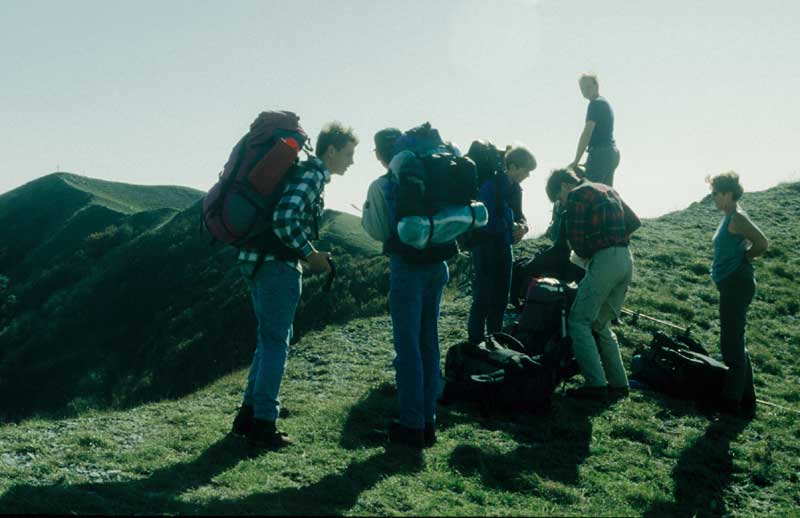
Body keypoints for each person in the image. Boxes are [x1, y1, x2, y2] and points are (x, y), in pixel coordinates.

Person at [231, 121, 358, 450]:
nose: (351, 161)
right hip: (275, 265)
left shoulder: (299, 171)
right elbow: (285, 218)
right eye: (348, 153)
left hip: (254, 258)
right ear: (330, 150)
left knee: (268, 338)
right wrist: (310, 254)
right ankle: (264, 424)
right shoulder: (312, 175)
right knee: (276, 343)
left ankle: (248, 416)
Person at [361, 127, 452, 449]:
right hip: (438, 266)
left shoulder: (385, 184)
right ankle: (428, 421)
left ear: (381, 155)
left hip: (407, 268)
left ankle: (412, 425)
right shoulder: (433, 172)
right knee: (429, 343)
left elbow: (379, 229)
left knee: (408, 348)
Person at [545, 167, 640, 401]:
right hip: (626, 259)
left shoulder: (577, 195)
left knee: (578, 321)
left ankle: (596, 385)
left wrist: (591, 249)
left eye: (559, 198)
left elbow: (577, 245)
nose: (562, 203)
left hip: (605, 261)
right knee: (600, 323)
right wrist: (612, 236)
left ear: (565, 186)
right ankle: (619, 383)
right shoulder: (607, 188)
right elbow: (634, 221)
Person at [708, 172, 768, 418]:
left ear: (727, 194)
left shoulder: (738, 217)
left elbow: (762, 243)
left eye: (715, 194)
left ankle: (730, 402)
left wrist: (744, 258)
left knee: (731, 342)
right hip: (731, 282)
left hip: (737, 282)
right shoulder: (729, 217)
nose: (713, 198)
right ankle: (747, 398)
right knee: (735, 339)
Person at [466, 142, 536, 344]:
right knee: (482, 299)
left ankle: (494, 342)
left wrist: (523, 227)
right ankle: (476, 343)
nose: (527, 175)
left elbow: (520, 215)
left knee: (500, 299)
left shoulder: (515, 189)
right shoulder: (491, 185)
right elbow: (482, 220)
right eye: (526, 170)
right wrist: (508, 226)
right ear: (512, 166)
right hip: (485, 248)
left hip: (503, 247)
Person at [570, 73, 620, 186]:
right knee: (605, 193)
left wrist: (576, 161)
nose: (585, 91)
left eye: (588, 87)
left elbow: (587, 133)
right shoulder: (604, 102)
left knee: (590, 191)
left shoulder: (595, 104)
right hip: (610, 153)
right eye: (582, 88)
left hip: (601, 153)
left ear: (596, 86)